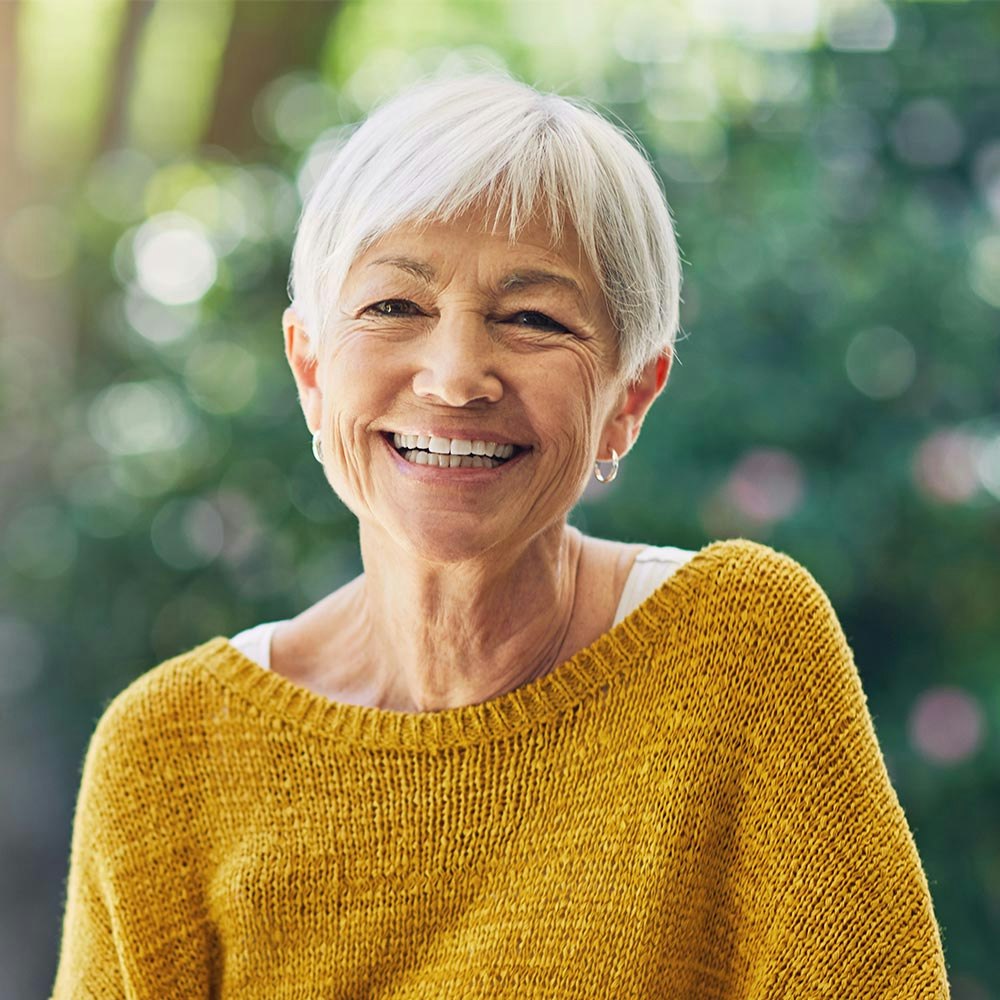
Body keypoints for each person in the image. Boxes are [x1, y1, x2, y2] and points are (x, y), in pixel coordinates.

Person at [51, 72, 949, 997]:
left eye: (531, 318)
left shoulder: (742, 655)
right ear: (311, 371)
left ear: (629, 397)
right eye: (396, 306)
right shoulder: (168, 754)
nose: (454, 376)